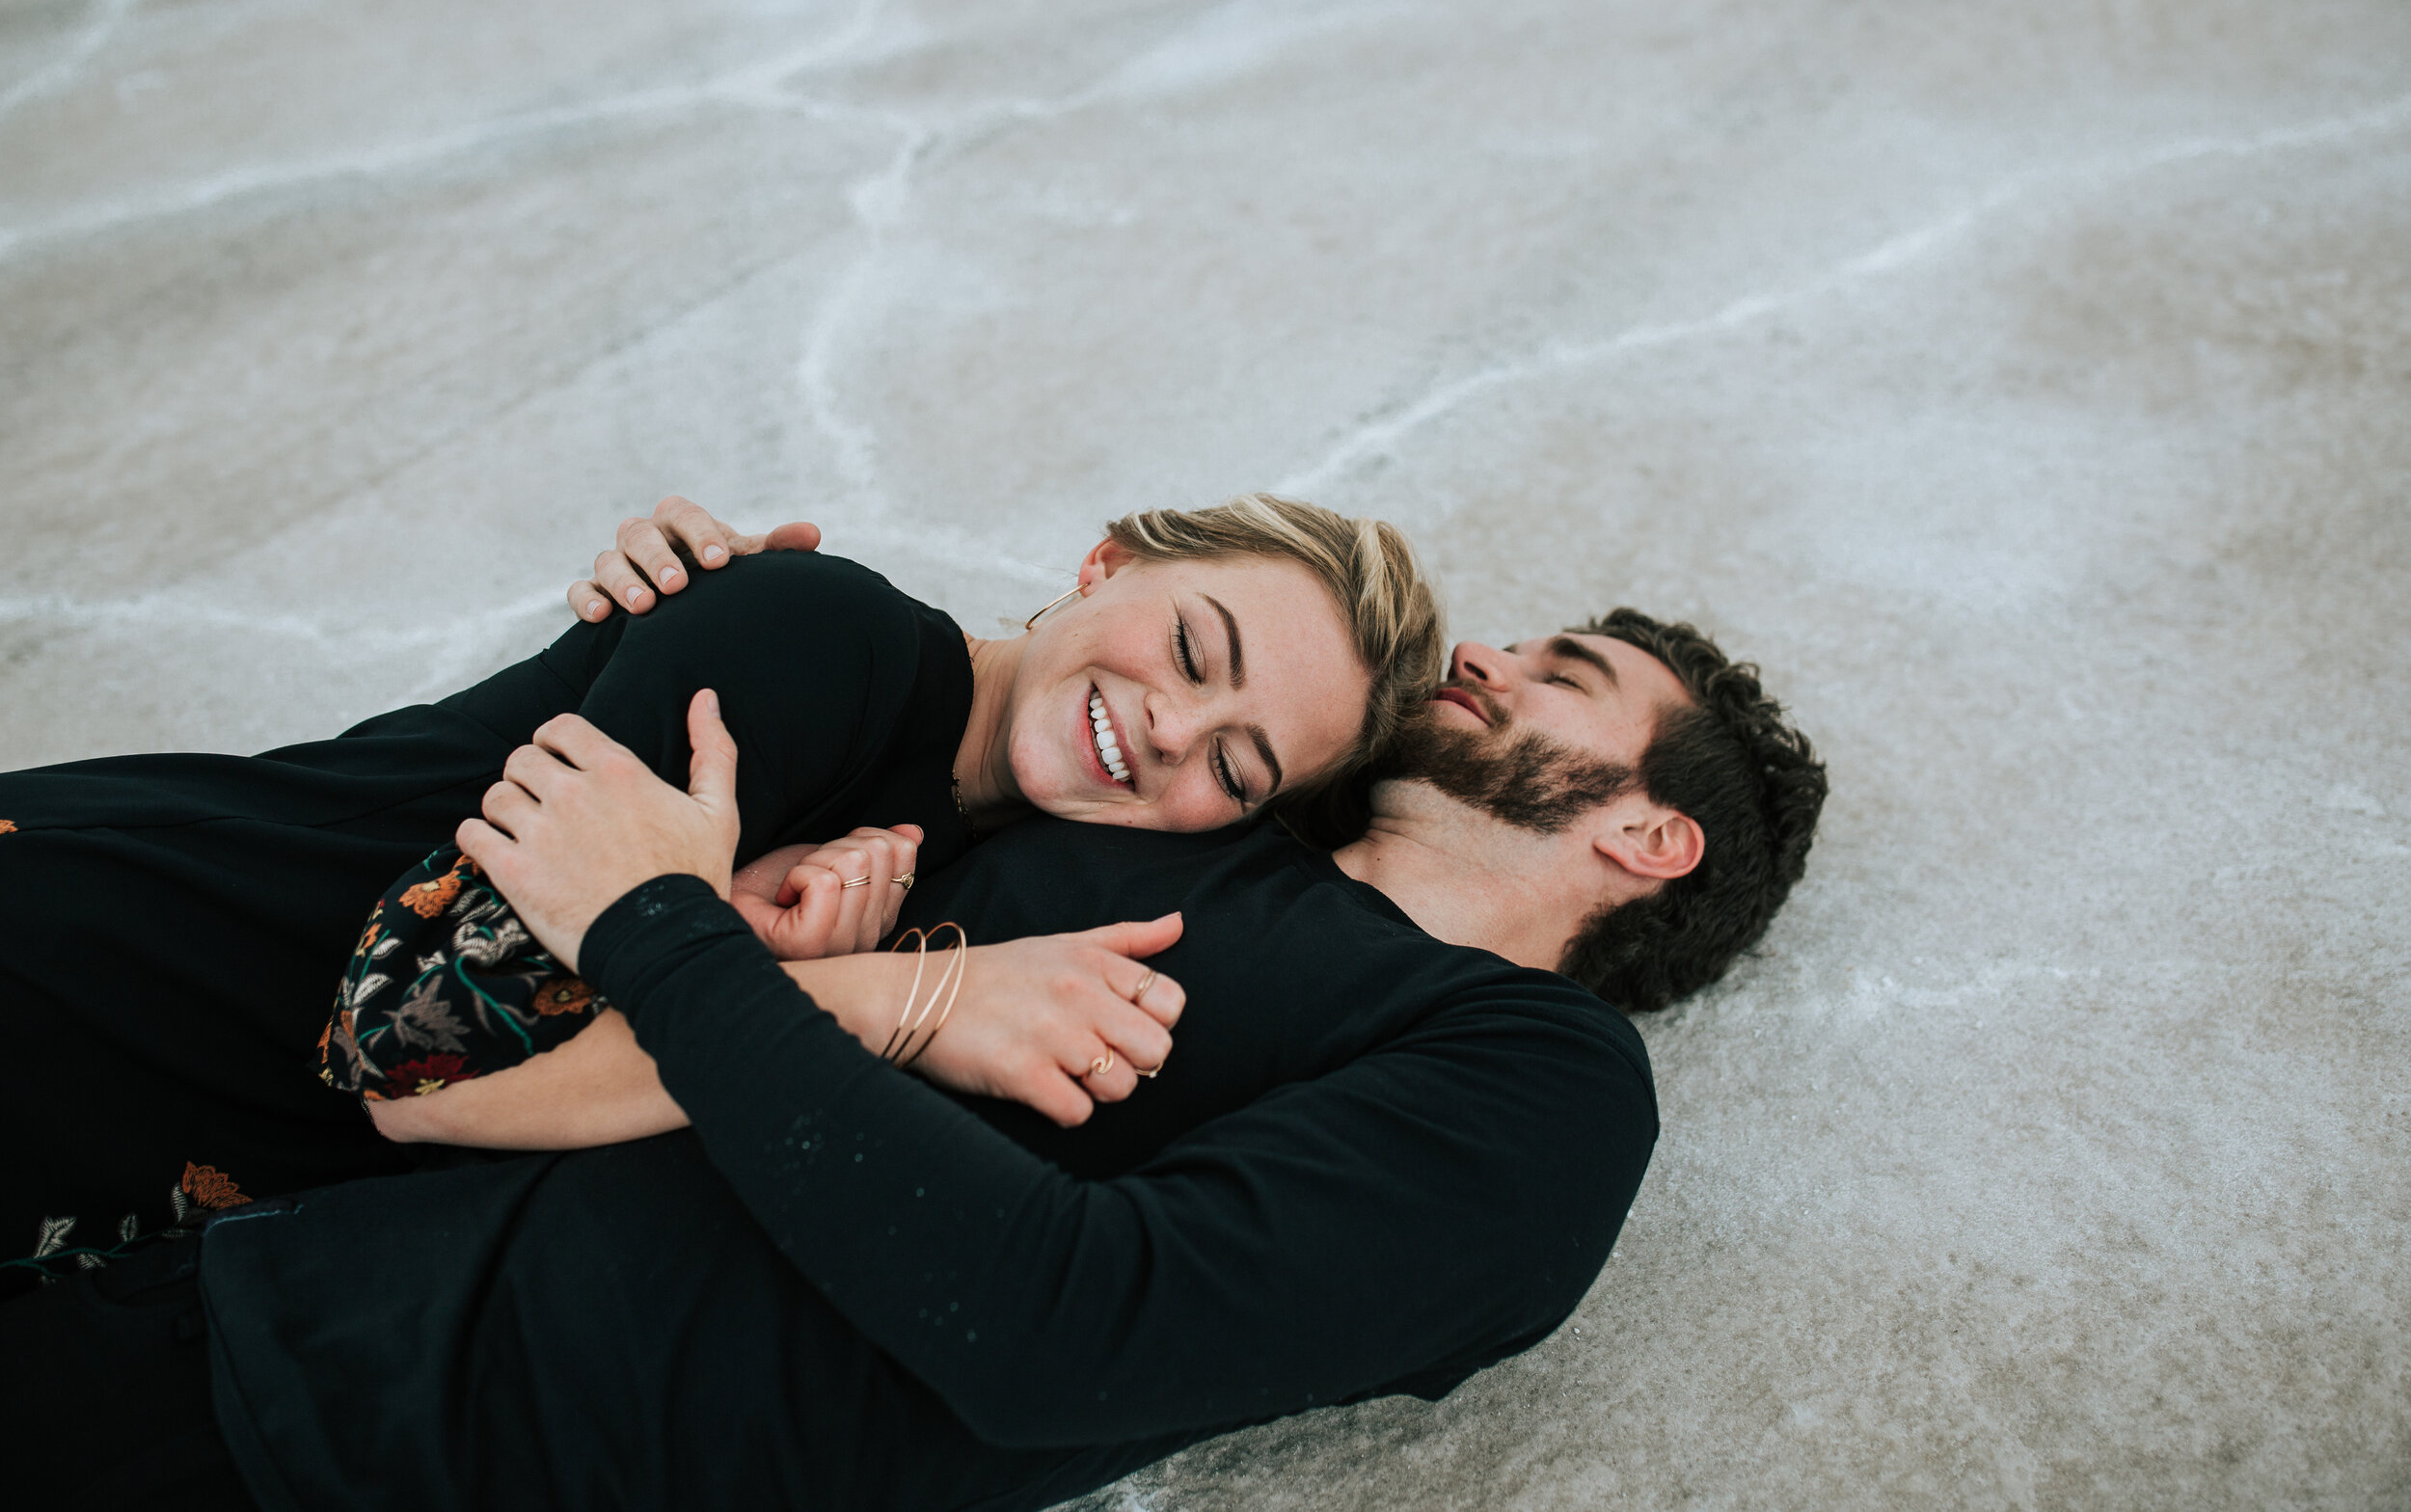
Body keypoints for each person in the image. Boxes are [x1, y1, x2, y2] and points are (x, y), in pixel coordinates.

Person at [0, 507, 1828, 1511]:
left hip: (469, 1464)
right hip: (232, 1285)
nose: (1489, 659)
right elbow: (452, 1082)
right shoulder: (1118, 828)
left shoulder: (1540, 1093)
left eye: (1564, 679)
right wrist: (776, 919)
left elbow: (1071, 1340)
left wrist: (687, 940)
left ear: (1651, 833)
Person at [0, 497, 1442, 1282]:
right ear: (1105, 560)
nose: (1174, 731)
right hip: (86, 963)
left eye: (1239, 768)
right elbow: (410, 1034)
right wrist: (901, 1004)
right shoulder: (828, 638)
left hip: (141, 1169)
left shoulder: (953, 859)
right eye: (1194, 650)